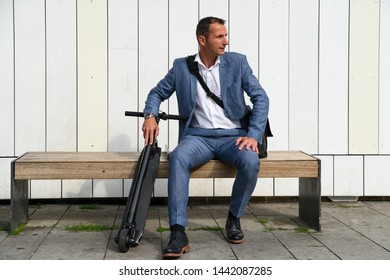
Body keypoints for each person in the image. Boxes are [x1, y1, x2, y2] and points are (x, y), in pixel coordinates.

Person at [142, 16, 269, 258]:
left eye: (225, 35)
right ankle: (178, 232)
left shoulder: (238, 63)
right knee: (178, 158)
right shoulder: (182, 67)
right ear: (203, 40)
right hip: (198, 137)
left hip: (234, 137)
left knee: (251, 162)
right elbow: (157, 92)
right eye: (219, 36)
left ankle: (234, 218)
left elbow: (261, 98)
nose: (225, 41)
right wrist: (150, 115)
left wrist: (253, 135)